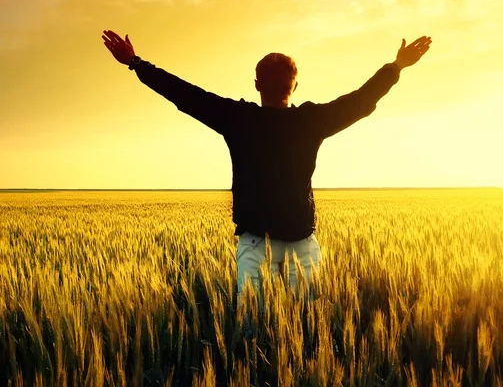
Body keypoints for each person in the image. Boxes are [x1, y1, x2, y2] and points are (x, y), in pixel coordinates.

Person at [101, 30, 432, 299]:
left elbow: (184, 94)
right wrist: (396, 66)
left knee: (251, 335)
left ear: (257, 85)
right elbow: (361, 99)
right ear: (295, 86)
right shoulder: (311, 121)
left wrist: (135, 62)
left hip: (254, 243)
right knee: (304, 330)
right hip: (302, 243)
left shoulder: (237, 118)